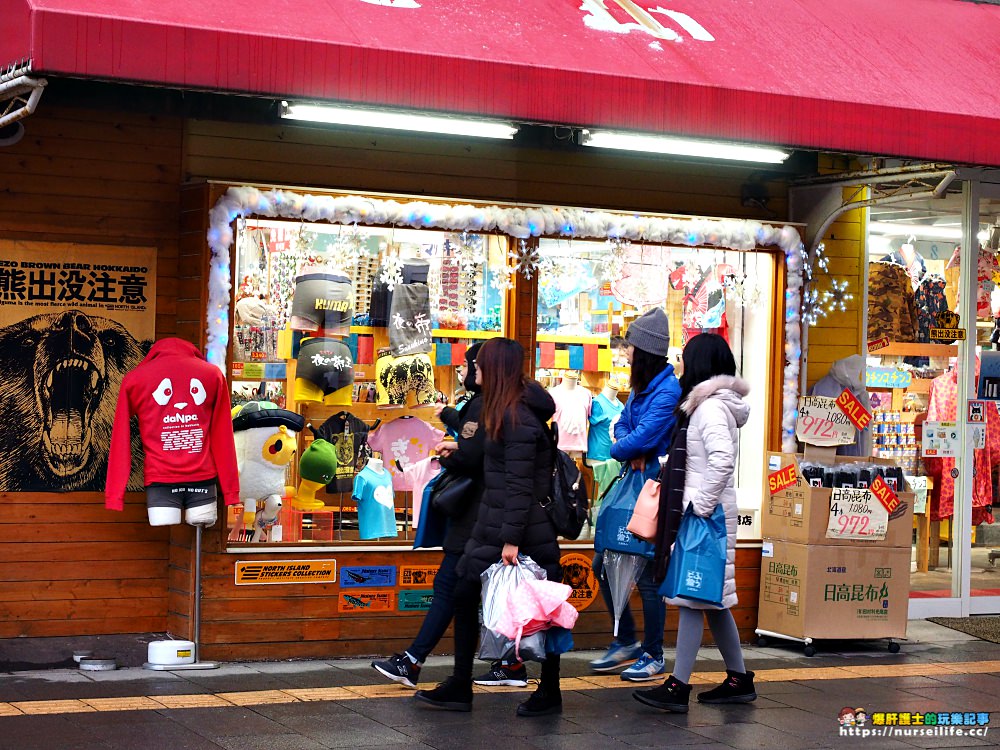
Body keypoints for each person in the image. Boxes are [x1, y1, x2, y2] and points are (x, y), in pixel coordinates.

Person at [414, 337, 562, 716]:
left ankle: (548, 691)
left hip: (522, 530)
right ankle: (461, 683)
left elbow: (519, 486)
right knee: (463, 594)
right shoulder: (505, 411)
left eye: (479, 364)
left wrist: (511, 540)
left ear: (494, 370)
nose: (473, 369)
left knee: (541, 610)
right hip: (493, 523)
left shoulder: (518, 419)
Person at [369, 343, 519, 687]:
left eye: (471, 366)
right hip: (485, 516)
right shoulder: (495, 406)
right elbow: (480, 451)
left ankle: (427, 665)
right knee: (472, 592)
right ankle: (497, 665)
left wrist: (450, 452)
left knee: (455, 589)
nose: (467, 372)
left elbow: (475, 457)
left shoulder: (487, 407)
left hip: (476, 516)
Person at [633, 332, 755, 712]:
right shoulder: (709, 406)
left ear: (699, 363)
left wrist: (698, 507)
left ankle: (677, 686)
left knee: (690, 599)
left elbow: (721, 462)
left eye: (686, 358)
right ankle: (738, 679)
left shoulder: (709, 408)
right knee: (713, 602)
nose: (681, 365)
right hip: (710, 515)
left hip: (707, 518)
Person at [591, 307, 680, 681]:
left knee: (645, 573)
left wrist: (627, 446)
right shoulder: (645, 387)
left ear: (643, 351)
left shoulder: (668, 389)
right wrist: (628, 444)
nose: (625, 353)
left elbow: (638, 436)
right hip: (633, 480)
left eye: (629, 347)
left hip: (653, 486)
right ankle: (626, 639)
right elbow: (622, 426)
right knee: (601, 562)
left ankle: (654, 652)